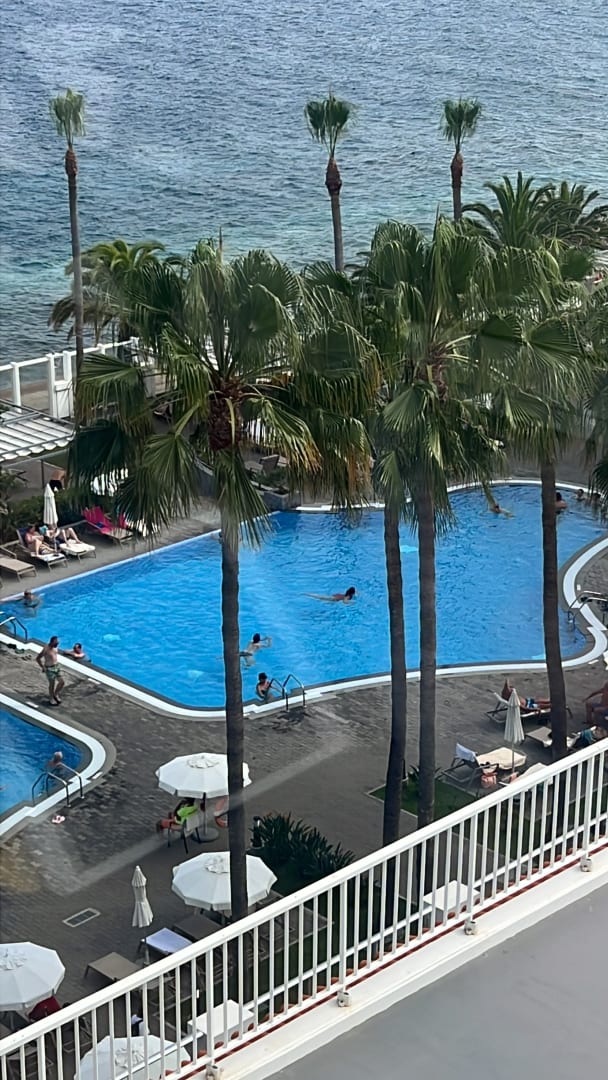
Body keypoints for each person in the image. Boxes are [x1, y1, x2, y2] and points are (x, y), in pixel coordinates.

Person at [36, 636, 65, 705]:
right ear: (52, 642)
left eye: (57, 643)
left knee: (62, 682)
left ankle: (55, 694)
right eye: (56, 643)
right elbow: (38, 658)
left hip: (56, 666)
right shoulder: (46, 649)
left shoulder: (55, 647)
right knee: (52, 684)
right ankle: (51, 698)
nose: (57, 644)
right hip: (49, 668)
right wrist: (42, 667)